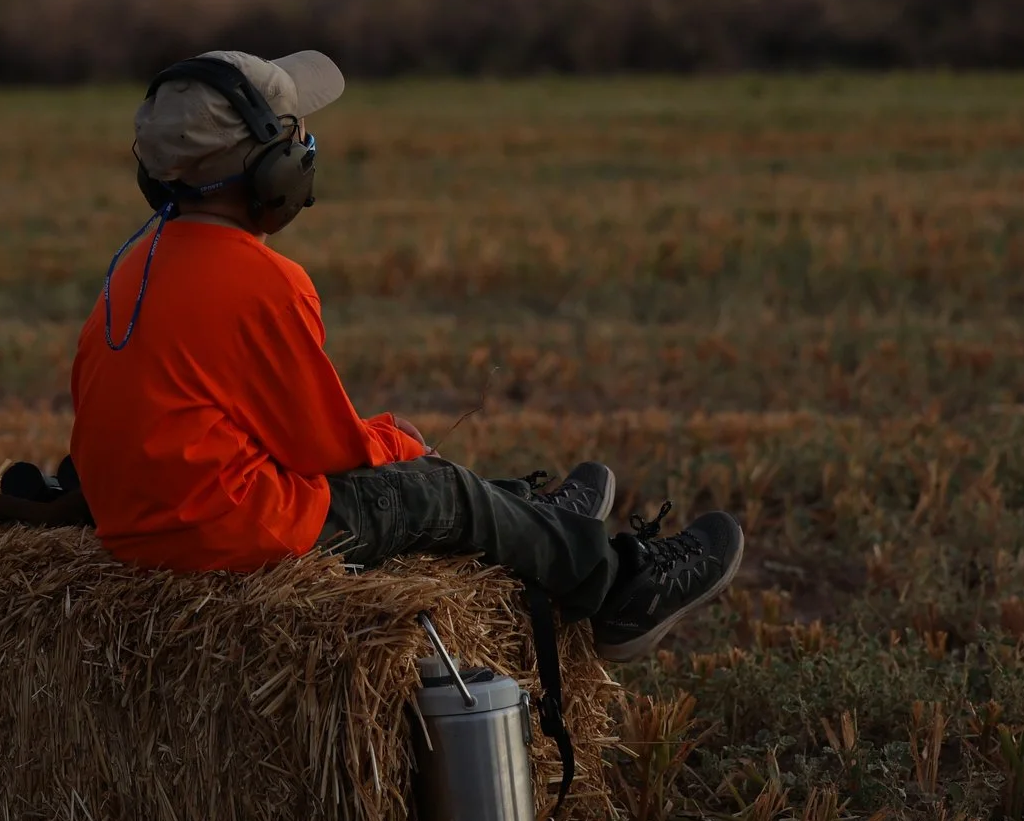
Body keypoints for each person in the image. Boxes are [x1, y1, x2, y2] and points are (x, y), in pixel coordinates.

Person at [66, 50, 744, 673]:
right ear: (271, 170)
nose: (307, 146)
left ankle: (535, 518)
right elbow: (329, 454)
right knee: (434, 491)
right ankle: (621, 591)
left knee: (423, 488)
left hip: (141, 530)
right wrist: (402, 441)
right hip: (229, 535)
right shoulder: (262, 281)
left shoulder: (132, 264)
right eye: (296, 134)